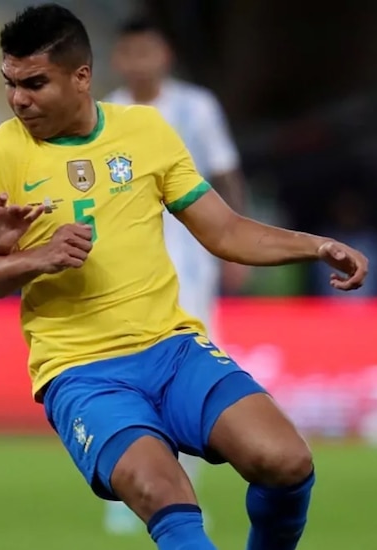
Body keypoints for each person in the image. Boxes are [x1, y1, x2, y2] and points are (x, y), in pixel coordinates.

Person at [0, 4, 368, 550]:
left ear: (82, 77)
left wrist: (316, 246)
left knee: (285, 461)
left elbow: (225, 231)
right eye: (11, 83)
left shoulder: (145, 131)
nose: (18, 99)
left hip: (171, 350)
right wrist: (33, 258)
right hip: (82, 372)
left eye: (34, 83)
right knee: (165, 493)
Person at [101, 18, 249, 534]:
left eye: (148, 51)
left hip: (190, 265)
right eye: (130, 53)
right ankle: (130, 487)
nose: (139, 62)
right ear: (118, 59)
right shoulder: (108, 113)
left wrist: (234, 250)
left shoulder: (196, 107)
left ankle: (182, 492)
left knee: (187, 378)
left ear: (164, 55)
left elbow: (225, 173)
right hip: (125, 267)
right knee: (129, 373)